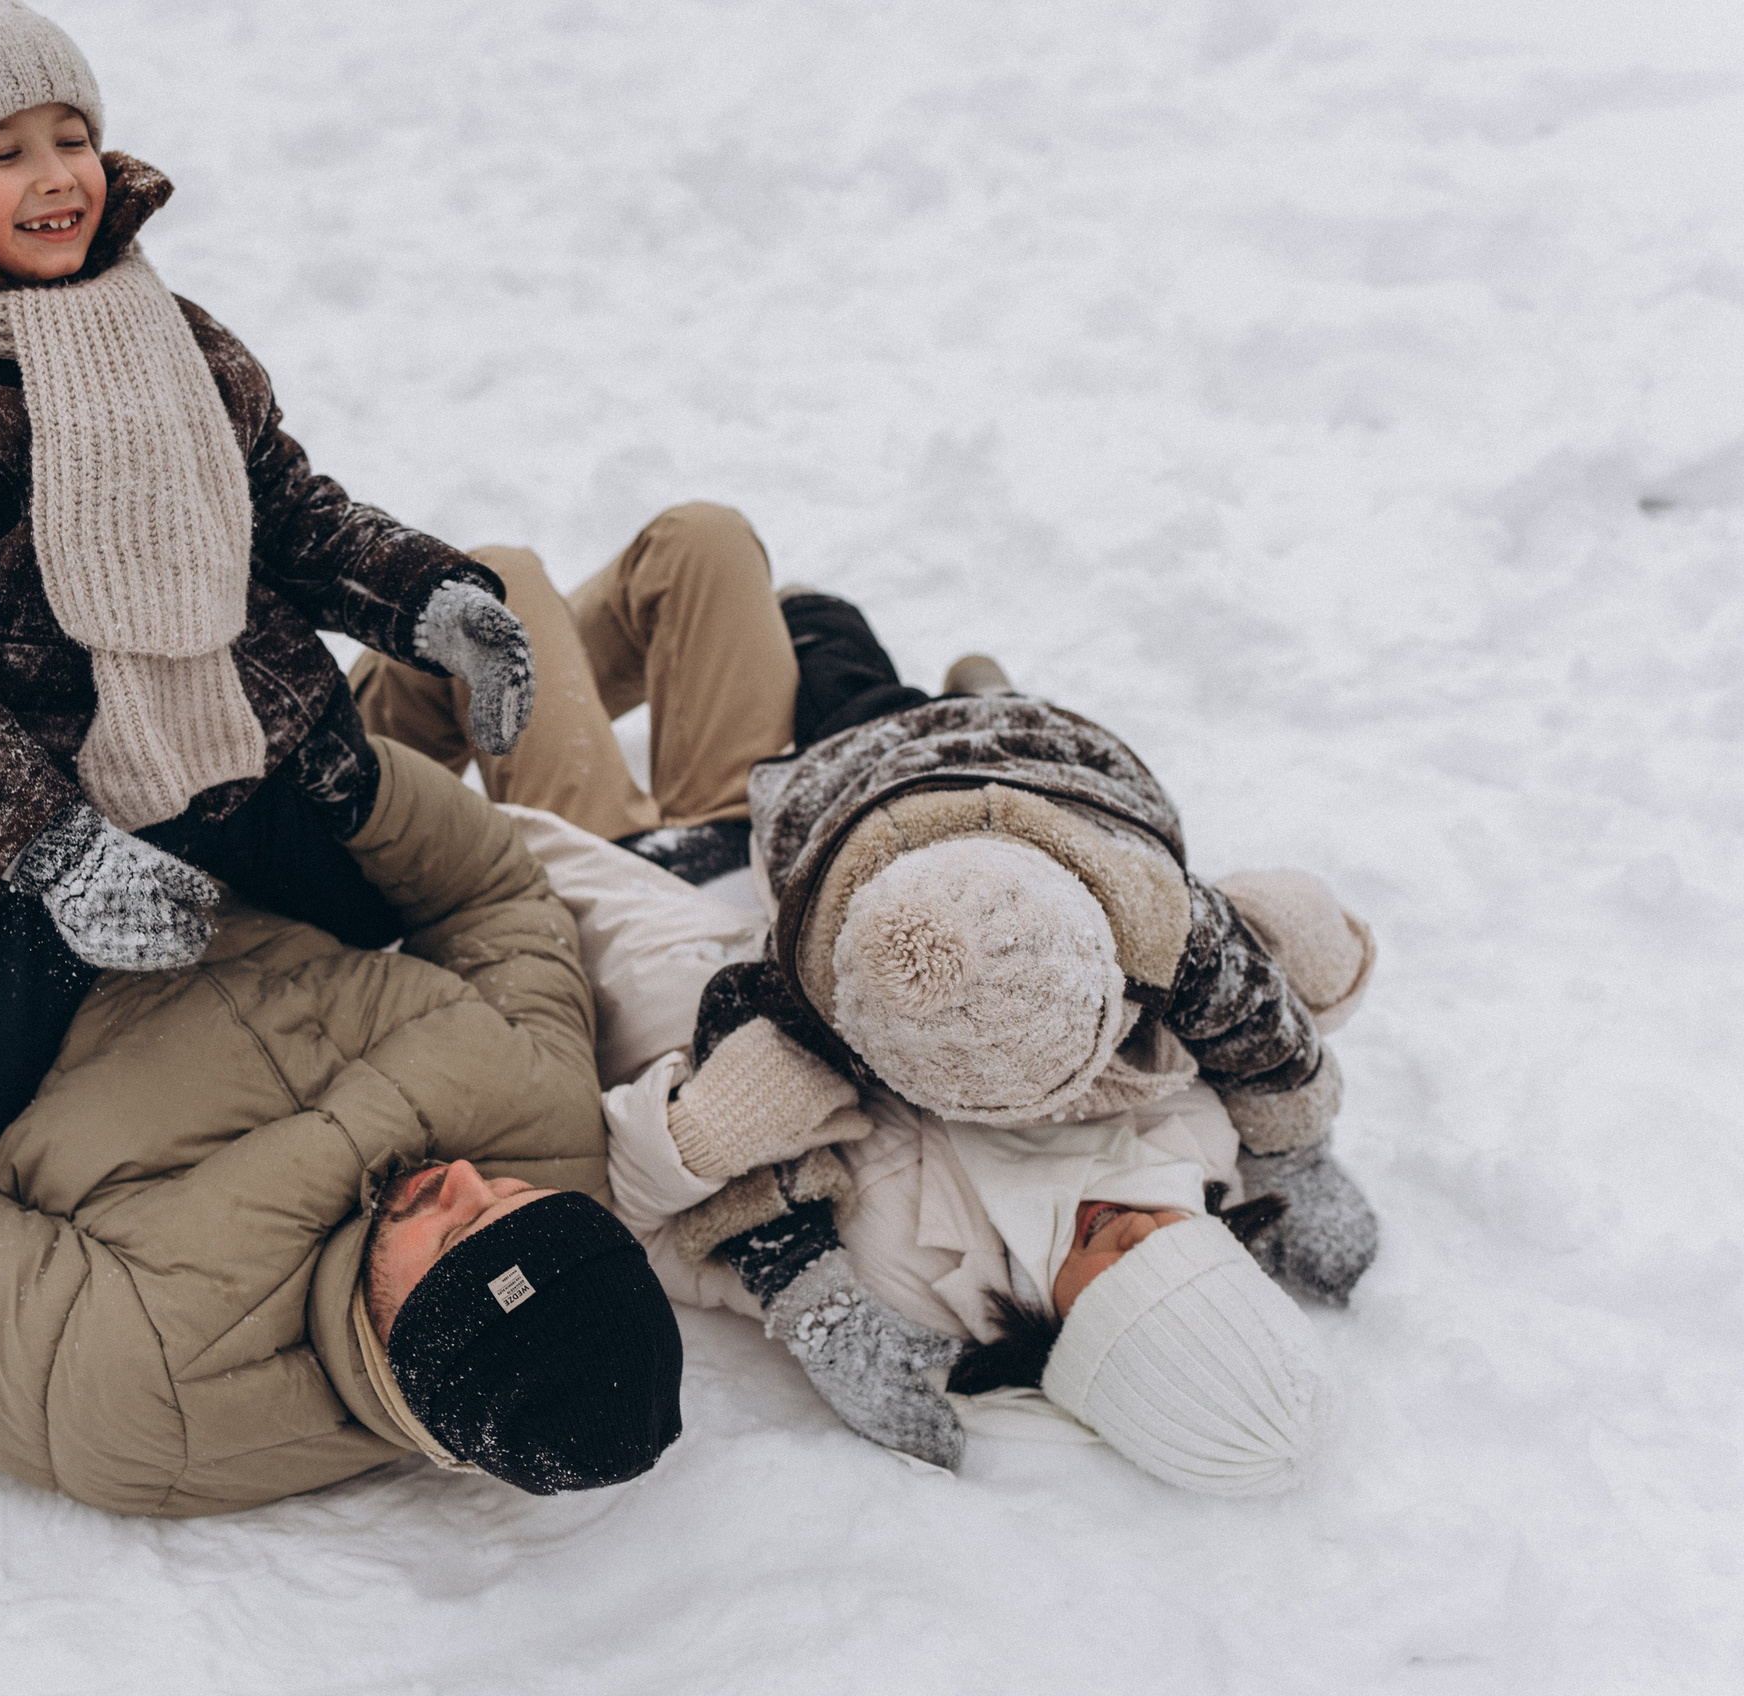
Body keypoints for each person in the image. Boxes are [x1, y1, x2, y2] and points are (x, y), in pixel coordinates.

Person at [351, 506, 1378, 1494]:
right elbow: (1209, 956)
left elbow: (646, 1223)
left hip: (636, 900)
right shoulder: (1194, 1142)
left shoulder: (906, 1279)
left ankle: (312, 770)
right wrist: (1302, 1117)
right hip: (788, 838)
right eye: (1168, 1240)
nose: (1130, 1227)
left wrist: (708, 1145)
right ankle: (474, 699)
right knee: (702, 541)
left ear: (1074, 1344)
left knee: (494, 587)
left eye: (1113, 1268)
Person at [0, 0, 534, 1174]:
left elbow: (287, 514)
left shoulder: (175, 335)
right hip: (33, 825)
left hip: (246, 762)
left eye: (70, 136)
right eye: (3, 154)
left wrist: (429, 599)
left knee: (376, 956)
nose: (58, 177)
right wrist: (50, 844)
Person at [0, 736, 684, 1516]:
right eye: (513, 1196)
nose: (466, 1177)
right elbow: (496, 903)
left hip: (7, 1015)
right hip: (218, 881)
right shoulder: (547, 1128)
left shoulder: (151, 1386)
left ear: (412, 1348)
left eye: (458, 1232)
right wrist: (363, 787)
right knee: (124, 664)